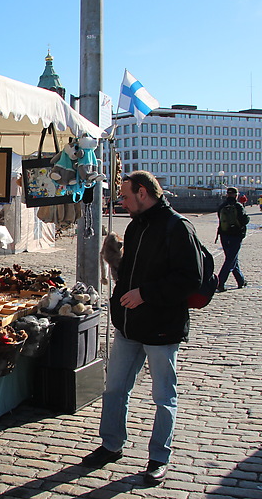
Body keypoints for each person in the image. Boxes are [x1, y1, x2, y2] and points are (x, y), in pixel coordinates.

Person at [81, 170, 202, 487]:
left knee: (163, 396)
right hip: (129, 326)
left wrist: (145, 294)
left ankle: (159, 458)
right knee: (115, 388)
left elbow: (190, 278)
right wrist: (114, 261)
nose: (121, 201)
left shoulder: (178, 228)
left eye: (124, 195)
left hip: (162, 329)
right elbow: (130, 271)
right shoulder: (135, 226)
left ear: (143, 193)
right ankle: (111, 444)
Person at [215, 187, 249, 292]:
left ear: (227, 195)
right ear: (236, 195)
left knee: (232, 258)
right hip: (236, 235)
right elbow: (244, 220)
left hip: (224, 235)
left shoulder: (222, 206)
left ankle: (241, 281)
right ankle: (220, 282)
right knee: (230, 259)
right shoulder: (238, 206)